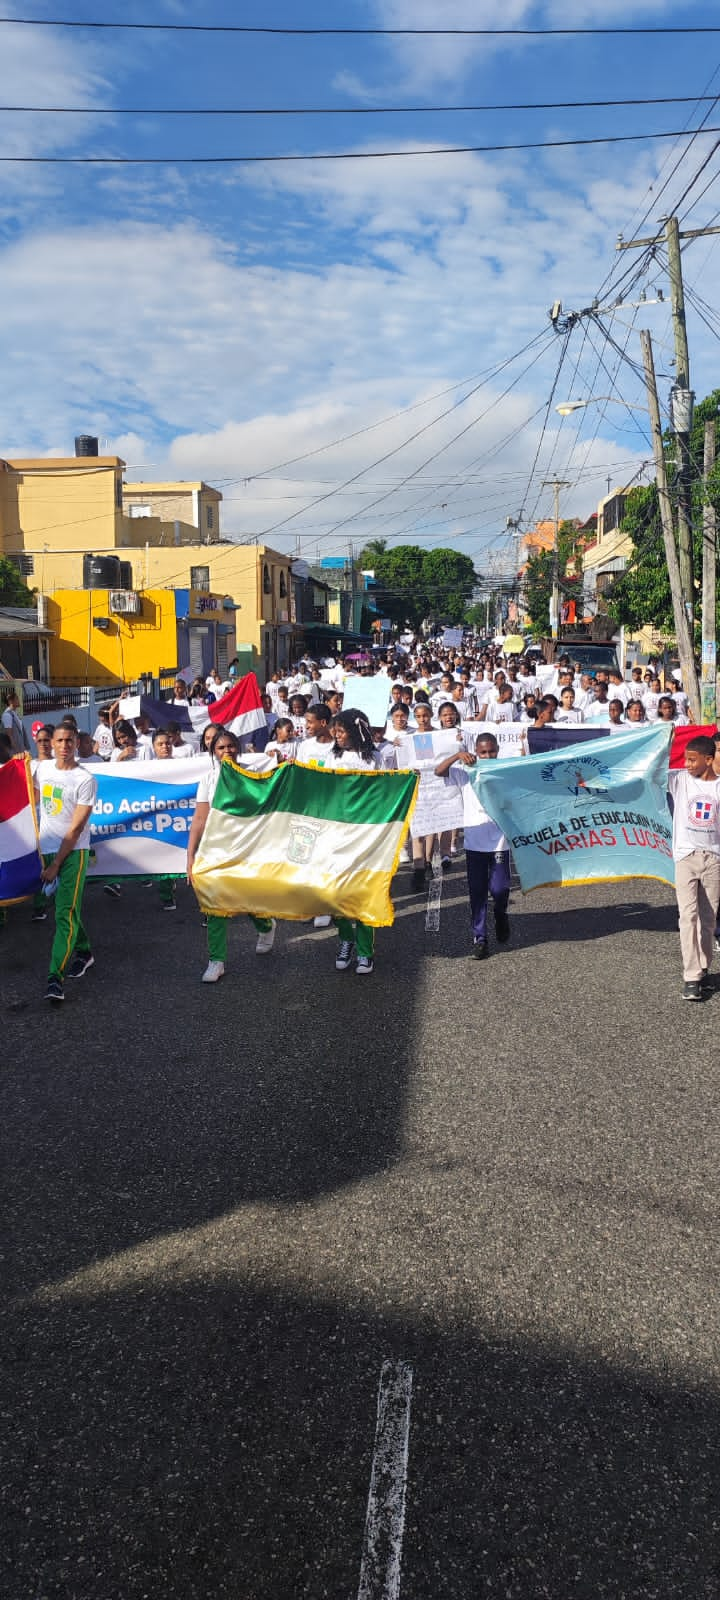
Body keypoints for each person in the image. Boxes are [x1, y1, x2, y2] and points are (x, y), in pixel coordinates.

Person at [186, 726, 276, 982]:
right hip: (215, 849)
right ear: (212, 752)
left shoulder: (253, 775)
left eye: (230, 746)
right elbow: (200, 818)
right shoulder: (208, 780)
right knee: (214, 903)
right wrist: (190, 854)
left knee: (245, 897)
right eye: (220, 748)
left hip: (247, 848)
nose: (226, 751)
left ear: (238, 748)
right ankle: (216, 961)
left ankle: (266, 926)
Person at [34, 723, 97, 1003]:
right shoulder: (42, 769)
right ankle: (84, 951)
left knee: (63, 913)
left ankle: (54, 979)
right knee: (66, 908)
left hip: (71, 854)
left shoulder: (85, 780)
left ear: (76, 742)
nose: (63, 745)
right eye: (58, 740)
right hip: (45, 850)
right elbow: (26, 789)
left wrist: (56, 864)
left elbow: (75, 829)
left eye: (68, 741)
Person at [435, 730, 511, 959]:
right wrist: (458, 755)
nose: (487, 756)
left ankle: (500, 914)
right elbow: (439, 771)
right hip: (474, 843)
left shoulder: (505, 772)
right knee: (477, 892)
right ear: (476, 752)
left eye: (491, 751)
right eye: (482, 752)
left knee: (500, 889)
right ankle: (480, 937)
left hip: (499, 842)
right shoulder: (465, 772)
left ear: (497, 751)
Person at [323, 710, 378, 974]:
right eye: (335, 731)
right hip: (337, 832)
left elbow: (385, 792)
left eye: (341, 731)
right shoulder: (332, 756)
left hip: (366, 834)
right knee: (335, 894)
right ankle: (346, 938)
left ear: (356, 732)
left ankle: (365, 951)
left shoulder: (375, 759)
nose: (336, 735)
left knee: (363, 894)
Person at [668, 735, 720, 1001]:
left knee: (708, 920)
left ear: (708, 760)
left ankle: (703, 969)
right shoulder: (679, 780)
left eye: (692, 759)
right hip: (685, 857)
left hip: (713, 860)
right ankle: (691, 977)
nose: (686, 764)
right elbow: (650, 770)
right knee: (687, 917)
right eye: (685, 759)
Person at [1, 690, 28, 754]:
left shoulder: (14, 713)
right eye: (17, 698)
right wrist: (15, 749)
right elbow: (9, 733)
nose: (19, 700)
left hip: (20, 747)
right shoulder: (7, 715)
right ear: (11, 701)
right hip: (15, 750)